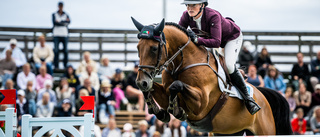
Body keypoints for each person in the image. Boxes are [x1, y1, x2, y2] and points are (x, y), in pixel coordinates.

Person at [178, 0, 260, 115]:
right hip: (211, 40)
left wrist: (196, 40)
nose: (190, 8)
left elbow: (216, 42)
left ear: (202, 5)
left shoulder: (213, 16)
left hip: (231, 39)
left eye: (193, 5)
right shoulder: (186, 16)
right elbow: (179, 33)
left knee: (229, 66)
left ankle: (248, 100)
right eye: (188, 5)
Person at [52, 2, 70, 69]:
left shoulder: (66, 14)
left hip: (64, 34)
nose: (60, 7)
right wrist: (64, 22)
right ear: (58, 6)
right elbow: (54, 23)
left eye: (61, 6)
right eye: (60, 6)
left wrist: (59, 22)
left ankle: (65, 65)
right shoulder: (54, 14)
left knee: (65, 51)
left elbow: (69, 22)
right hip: (56, 34)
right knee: (56, 51)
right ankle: (56, 65)